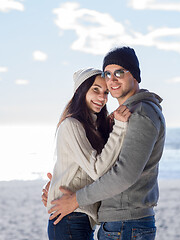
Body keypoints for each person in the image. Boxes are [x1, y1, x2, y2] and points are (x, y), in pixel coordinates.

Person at [44, 46, 166, 240]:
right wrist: (56, 187)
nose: (112, 80)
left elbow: (122, 175)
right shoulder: (118, 118)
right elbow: (100, 167)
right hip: (114, 222)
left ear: (134, 75)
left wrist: (74, 200)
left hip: (125, 222)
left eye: (119, 72)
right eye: (108, 74)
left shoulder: (138, 113)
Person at [45, 67, 131, 240]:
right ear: (80, 91)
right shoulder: (72, 124)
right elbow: (96, 169)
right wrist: (120, 128)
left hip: (81, 219)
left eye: (106, 92)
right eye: (96, 90)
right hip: (70, 219)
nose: (102, 97)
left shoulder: (95, 128)